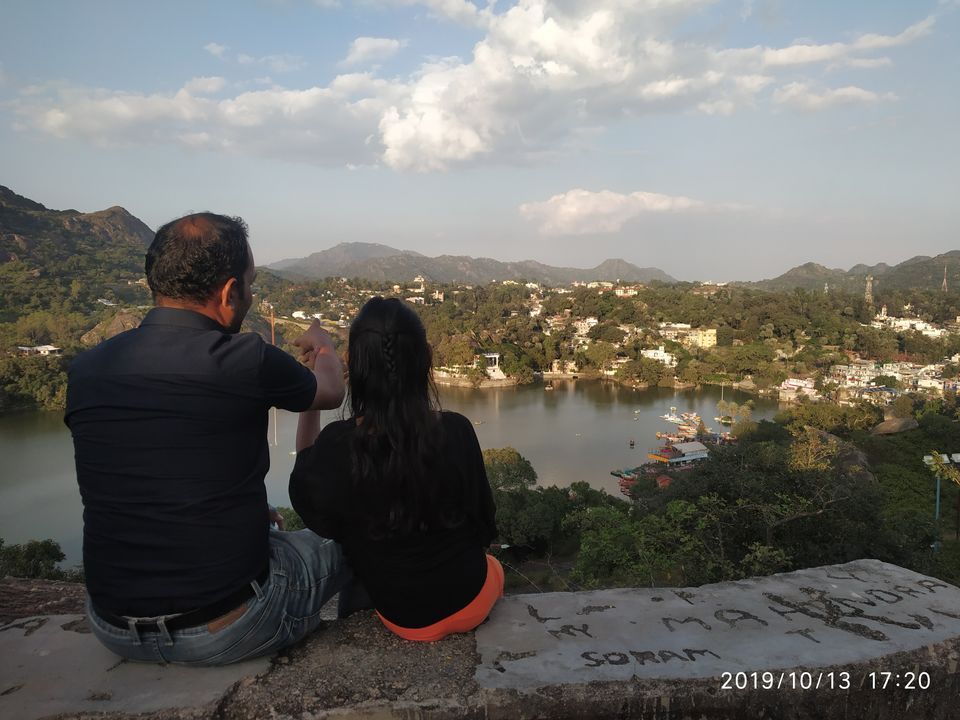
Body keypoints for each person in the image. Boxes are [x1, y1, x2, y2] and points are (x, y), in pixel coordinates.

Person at [65, 212, 350, 665]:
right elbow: (331, 392)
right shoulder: (244, 358)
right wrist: (324, 345)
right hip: (228, 625)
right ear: (228, 291)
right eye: (250, 285)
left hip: (112, 626)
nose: (251, 297)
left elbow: (154, 459)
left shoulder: (86, 370)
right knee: (361, 535)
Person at [289, 297, 502, 642]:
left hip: (405, 619)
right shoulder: (457, 430)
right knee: (492, 567)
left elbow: (306, 485)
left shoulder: (339, 447)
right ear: (425, 361)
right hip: (473, 599)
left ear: (354, 368)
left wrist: (316, 380)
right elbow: (483, 522)